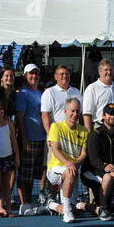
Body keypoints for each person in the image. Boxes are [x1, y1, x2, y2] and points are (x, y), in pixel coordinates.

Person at [41, 65, 83, 204]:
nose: (64, 76)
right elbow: (45, 115)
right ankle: (52, 199)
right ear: (55, 76)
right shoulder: (49, 93)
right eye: (61, 74)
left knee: (71, 167)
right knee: (54, 168)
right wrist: (50, 136)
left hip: (72, 138)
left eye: (66, 74)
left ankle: (68, 198)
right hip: (55, 137)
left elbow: (80, 115)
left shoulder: (76, 92)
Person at [45, 98, 88, 223]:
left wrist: (75, 164)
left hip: (72, 172)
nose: (75, 114)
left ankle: (52, 205)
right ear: (65, 111)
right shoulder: (56, 127)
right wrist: (67, 163)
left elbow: (84, 153)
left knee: (72, 207)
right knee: (69, 172)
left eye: (77, 111)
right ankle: (67, 213)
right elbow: (55, 149)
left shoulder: (84, 131)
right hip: (54, 170)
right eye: (72, 111)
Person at [81, 103, 114, 221]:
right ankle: (102, 209)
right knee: (109, 177)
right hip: (89, 172)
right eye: (110, 114)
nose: (113, 117)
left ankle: (83, 205)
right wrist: (108, 169)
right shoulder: (95, 134)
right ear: (103, 116)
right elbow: (93, 158)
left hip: (107, 171)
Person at [15, 64, 47, 216]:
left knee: (33, 174)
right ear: (25, 75)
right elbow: (20, 119)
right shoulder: (22, 94)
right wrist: (25, 140)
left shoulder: (41, 93)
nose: (34, 76)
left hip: (40, 139)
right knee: (24, 174)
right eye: (31, 73)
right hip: (28, 139)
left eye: (36, 73)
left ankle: (29, 201)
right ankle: (24, 204)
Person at [0, 96, 20, 218]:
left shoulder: (9, 123)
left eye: (1, 109)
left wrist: (17, 157)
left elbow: (14, 141)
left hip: (8, 158)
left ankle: (9, 209)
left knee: (7, 185)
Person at [83, 59, 114, 132]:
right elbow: (87, 115)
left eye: (111, 69)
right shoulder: (92, 88)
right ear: (100, 72)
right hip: (100, 129)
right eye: (106, 70)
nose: (109, 72)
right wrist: (89, 136)